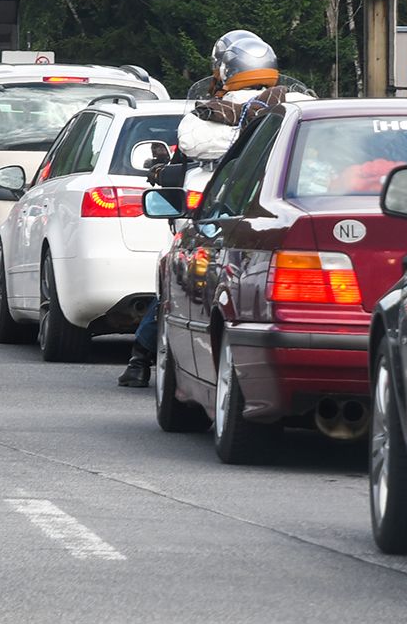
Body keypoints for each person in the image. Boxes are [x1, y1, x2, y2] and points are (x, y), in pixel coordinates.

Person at [118, 31, 309, 388]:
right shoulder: (299, 107)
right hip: (287, 218)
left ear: (224, 69)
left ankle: (141, 358)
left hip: (218, 220)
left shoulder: (206, 117)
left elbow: (189, 146)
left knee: (180, 281)